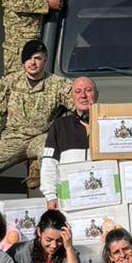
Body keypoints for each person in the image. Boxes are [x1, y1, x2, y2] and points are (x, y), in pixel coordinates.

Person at [0, 42, 74, 197]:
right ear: (23, 61)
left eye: (37, 58)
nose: (32, 63)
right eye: (28, 59)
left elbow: (79, 102)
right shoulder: (10, 82)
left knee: (51, 160)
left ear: (45, 60)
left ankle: (55, 209)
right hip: (13, 139)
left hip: (41, 138)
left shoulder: (57, 84)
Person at [40, 76, 98, 208]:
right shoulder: (60, 126)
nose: (83, 95)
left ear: (96, 95)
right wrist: (50, 196)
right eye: (78, 92)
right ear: (72, 97)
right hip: (70, 201)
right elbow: (49, 163)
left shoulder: (108, 122)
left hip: (102, 198)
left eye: (88, 90)